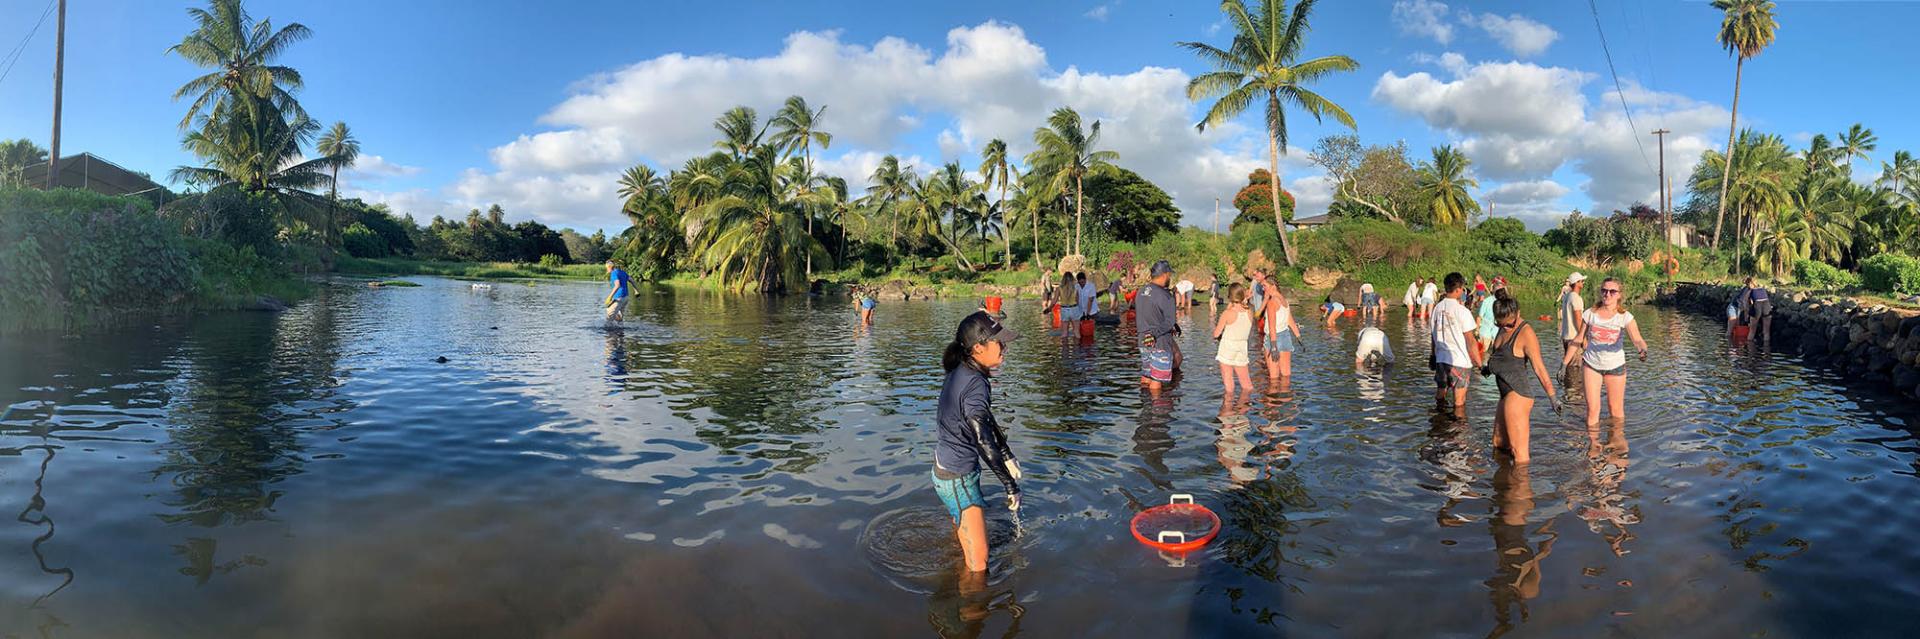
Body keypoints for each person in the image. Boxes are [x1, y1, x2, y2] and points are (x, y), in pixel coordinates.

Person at [932, 311, 1023, 573]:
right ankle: (973, 609)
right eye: (999, 343)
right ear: (978, 348)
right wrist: (1010, 485)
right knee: (979, 565)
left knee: (965, 544)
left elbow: (984, 419)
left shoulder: (962, 370)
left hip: (946, 468)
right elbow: (982, 438)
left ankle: (956, 575)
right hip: (957, 477)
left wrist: (1006, 452)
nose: (1004, 347)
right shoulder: (975, 384)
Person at [1484, 290, 1557, 464]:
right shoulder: (1502, 328)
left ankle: (1522, 489)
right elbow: (1502, 357)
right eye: (1501, 324)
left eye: (1510, 324)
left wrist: (1553, 397)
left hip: (1517, 394)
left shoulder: (1526, 333)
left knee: (1520, 454)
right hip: (1505, 394)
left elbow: (1539, 367)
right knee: (1499, 444)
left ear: (1518, 313)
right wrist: (1488, 368)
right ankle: (1503, 486)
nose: (1506, 327)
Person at [1572, 277, 1649, 434]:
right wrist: (1564, 363)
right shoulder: (1590, 314)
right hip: (1592, 364)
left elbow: (1637, 339)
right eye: (1604, 291)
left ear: (1619, 295)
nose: (1607, 294)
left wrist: (1642, 350)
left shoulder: (1625, 317)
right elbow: (1579, 338)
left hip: (1615, 366)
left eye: (1612, 291)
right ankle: (1593, 446)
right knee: (1593, 410)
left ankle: (1617, 442)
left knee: (1615, 410)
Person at [1430, 272, 1480, 411]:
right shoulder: (1462, 311)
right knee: (1459, 402)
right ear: (1458, 289)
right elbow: (1471, 341)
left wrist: (1432, 355)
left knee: (1440, 394)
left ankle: (1439, 424)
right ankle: (1457, 431)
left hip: (1441, 359)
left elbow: (1433, 335)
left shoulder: (1437, 309)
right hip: (1460, 361)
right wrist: (1480, 364)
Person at [1136, 260, 1180, 391]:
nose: (1170, 278)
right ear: (1165, 275)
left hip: (1143, 340)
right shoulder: (1166, 296)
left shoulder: (1141, 291)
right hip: (1159, 342)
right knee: (1157, 380)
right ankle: (1158, 409)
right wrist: (1154, 334)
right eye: (1169, 275)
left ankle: (1145, 405)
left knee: (1146, 376)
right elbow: (1169, 322)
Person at [1212, 283, 1255, 397]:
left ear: (1230, 297)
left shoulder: (1227, 313)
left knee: (1229, 385)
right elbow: (1243, 305)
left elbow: (1216, 334)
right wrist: (1244, 299)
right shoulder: (1250, 312)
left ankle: (1228, 409)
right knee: (1247, 384)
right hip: (1242, 347)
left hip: (1227, 347)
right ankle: (1243, 407)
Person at [1262, 284, 1302, 379]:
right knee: (1286, 375)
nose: (1263, 288)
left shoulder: (1271, 302)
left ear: (1273, 286)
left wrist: (1274, 346)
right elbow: (1290, 320)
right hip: (1286, 337)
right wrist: (1298, 337)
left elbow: (1272, 326)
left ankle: (1273, 393)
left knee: (1274, 378)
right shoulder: (1285, 301)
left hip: (1274, 339)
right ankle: (1287, 393)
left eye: (1265, 285)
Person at [1558, 272, 1588, 367]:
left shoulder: (1567, 296)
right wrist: (1583, 339)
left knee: (1569, 367)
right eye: (1582, 281)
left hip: (1566, 337)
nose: (1583, 283)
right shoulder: (1576, 298)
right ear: (1577, 282)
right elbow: (1578, 319)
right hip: (1574, 339)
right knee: (1575, 369)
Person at [1739, 276, 1773, 343]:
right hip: (1767, 306)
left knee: (1752, 331)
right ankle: (1766, 351)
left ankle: (1750, 351)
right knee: (1766, 331)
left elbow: (1745, 303)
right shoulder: (1763, 289)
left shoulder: (1750, 291)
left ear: (1749, 284)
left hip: (1757, 306)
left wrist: (1746, 317)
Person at [1054, 269, 1080, 336]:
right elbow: (1077, 301)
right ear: (1072, 279)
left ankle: (1064, 346)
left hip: (1064, 309)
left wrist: (1049, 308)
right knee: (1076, 331)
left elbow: (1054, 301)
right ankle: (1077, 346)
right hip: (1074, 308)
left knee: (1064, 332)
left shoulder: (1059, 288)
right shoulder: (1076, 287)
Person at [1476, 284, 1500, 354]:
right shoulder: (1487, 301)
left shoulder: (1503, 302)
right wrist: (1477, 330)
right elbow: (1479, 317)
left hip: (1497, 333)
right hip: (1485, 331)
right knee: (1482, 353)